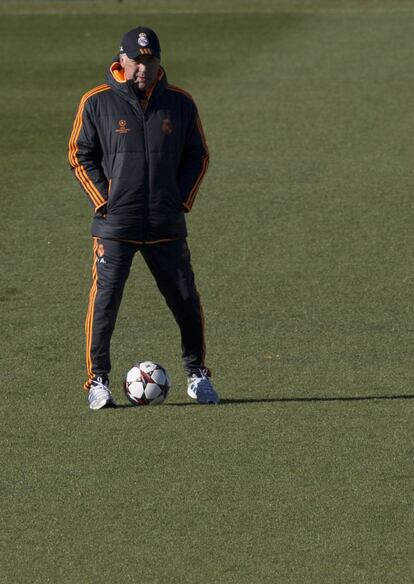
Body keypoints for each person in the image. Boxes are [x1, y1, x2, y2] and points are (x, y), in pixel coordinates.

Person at [68, 26, 219, 409]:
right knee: (105, 302)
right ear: (121, 61)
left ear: (158, 63)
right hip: (115, 225)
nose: (143, 70)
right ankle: (97, 381)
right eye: (137, 62)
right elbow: (79, 154)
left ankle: (197, 375)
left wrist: (180, 200)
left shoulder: (180, 103)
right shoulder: (96, 102)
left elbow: (197, 155)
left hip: (165, 224)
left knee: (185, 299)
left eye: (150, 62)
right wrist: (105, 200)